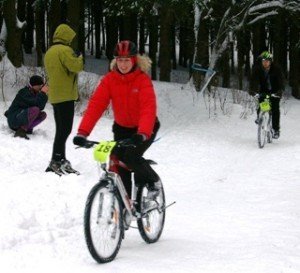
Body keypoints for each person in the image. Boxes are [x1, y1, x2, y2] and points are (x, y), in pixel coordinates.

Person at [73, 40, 161, 198]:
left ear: (134, 60)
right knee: (116, 160)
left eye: (127, 60)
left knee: (130, 156)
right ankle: (124, 205)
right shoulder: (109, 80)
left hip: (146, 128)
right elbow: (96, 105)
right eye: (120, 60)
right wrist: (82, 132)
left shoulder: (142, 81)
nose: (123, 64)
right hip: (122, 128)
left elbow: (148, 109)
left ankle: (153, 181)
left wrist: (142, 133)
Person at [44, 24, 84, 175]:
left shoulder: (50, 51)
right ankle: (56, 160)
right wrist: (79, 57)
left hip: (55, 95)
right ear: (66, 36)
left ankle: (60, 159)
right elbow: (76, 67)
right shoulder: (65, 50)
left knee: (61, 129)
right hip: (65, 95)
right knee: (65, 129)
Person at [250, 51, 285, 139]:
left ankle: (275, 130)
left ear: (270, 61)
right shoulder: (258, 69)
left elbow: (281, 81)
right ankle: (260, 117)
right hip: (264, 90)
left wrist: (280, 91)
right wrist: (252, 90)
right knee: (262, 104)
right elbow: (253, 80)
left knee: (275, 109)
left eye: (267, 61)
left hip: (275, 91)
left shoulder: (276, 69)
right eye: (263, 61)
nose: (265, 63)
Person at [4, 75, 48, 140]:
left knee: (42, 114)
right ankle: (21, 131)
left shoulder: (35, 93)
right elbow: (37, 104)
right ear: (34, 85)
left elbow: (41, 107)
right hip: (14, 121)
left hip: (20, 118)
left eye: (41, 86)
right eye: (39, 85)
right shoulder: (24, 92)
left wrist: (43, 94)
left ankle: (27, 129)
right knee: (35, 109)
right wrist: (43, 93)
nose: (40, 87)